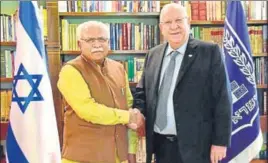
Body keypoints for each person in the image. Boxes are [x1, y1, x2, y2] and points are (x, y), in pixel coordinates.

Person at [133, 3, 232, 163]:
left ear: (189, 22)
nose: (174, 27)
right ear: (161, 27)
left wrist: (220, 142)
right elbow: (142, 92)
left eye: (179, 20)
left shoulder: (209, 51)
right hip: (160, 144)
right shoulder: (153, 54)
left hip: (197, 146)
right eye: (168, 22)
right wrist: (138, 111)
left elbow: (222, 99)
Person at [57, 21, 144, 163]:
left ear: (108, 42)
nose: (97, 44)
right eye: (90, 40)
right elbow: (88, 109)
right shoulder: (70, 71)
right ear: (79, 44)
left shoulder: (118, 68)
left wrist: (131, 151)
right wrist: (127, 116)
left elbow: (128, 106)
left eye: (102, 39)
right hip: (83, 157)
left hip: (119, 156)